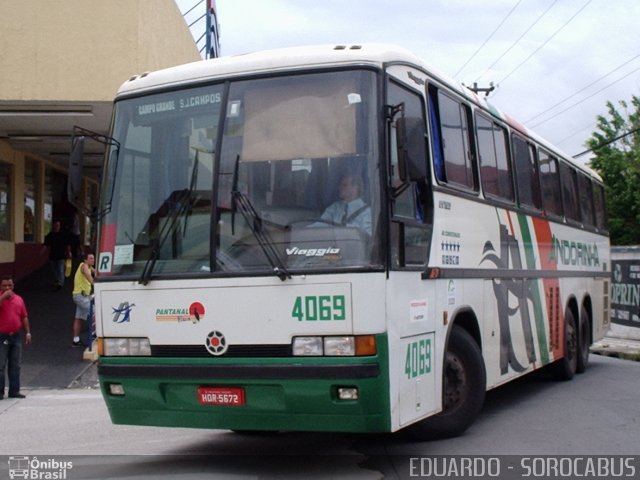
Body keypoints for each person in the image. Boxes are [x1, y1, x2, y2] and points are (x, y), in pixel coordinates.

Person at [0, 275, 31, 399]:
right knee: (0, 365)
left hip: (16, 335)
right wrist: (3, 297)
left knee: (15, 364)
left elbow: (24, 316)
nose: (8, 287)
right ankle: (0, 392)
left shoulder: (19, 299)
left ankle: (14, 390)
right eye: (5, 285)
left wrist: (28, 332)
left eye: (10, 285)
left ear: (13, 286)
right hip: (2, 336)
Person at [72, 253, 95, 347]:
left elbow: (97, 272)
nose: (93, 260)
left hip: (83, 296)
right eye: (90, 258)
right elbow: (89, 276)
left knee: (79, 318)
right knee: (94, 312)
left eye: (93, 258)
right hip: (80, 296)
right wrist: (96, 285)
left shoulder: (90, 267)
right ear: (85, 260)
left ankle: (76, 340)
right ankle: (94, 335)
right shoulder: (84, 266)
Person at [43, 220, 71, 289]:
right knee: (55, 270)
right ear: (53, 226)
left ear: (60, 226)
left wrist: (69, 252)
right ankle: (58, 280)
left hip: (61, 256)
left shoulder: (63, 235)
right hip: (52, 256)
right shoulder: (50, 235)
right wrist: (41, 252)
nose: (57, 227)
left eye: (58, 225)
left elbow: (67, 244)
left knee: (61, 269)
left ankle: (61, 283)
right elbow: (46, 245)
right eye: (56, 225)